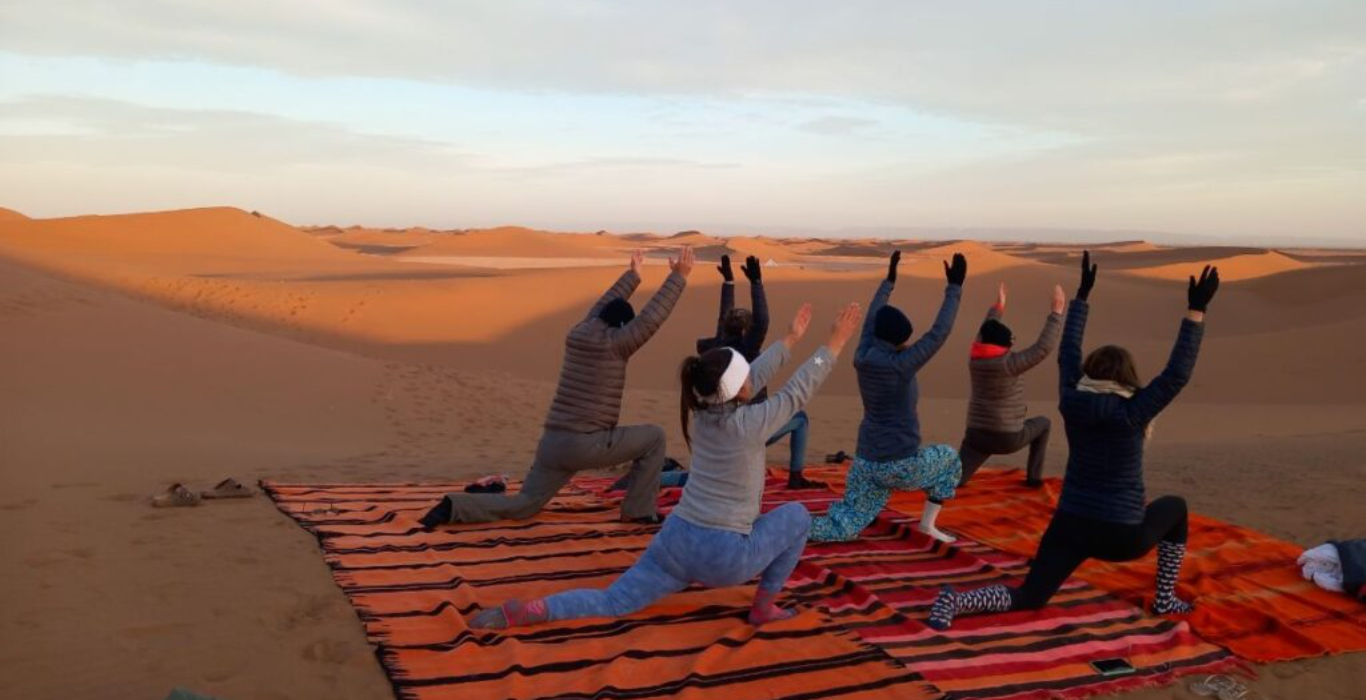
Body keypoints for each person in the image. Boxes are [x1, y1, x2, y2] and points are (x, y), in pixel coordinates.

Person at [467, 302, 865, 629]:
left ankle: (538, 610)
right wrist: (834, 343)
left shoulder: (702, 409)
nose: (750, 380)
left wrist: (790, 340)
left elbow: (747, 379)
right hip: (725, 557)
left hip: (676, 540)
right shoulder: (748, 424)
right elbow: (796, 393)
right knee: (797, 516)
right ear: (738, 390)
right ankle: (763, 608)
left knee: (614, 601)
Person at [926, 253, 1220, 629]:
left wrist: (1081, 297)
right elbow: (1176, 374)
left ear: (1088, 373)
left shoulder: (1071, 400)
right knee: (1175, 507)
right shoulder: (1134, 411)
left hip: (1070, 526)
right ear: (1128, 378)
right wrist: (1196, 311)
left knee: (1029, 596)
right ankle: (1164, 598)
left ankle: (956, 601)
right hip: (1121, 536)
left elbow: (1067, 355)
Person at [418, 248, 695, 527]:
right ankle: (638, 511)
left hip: (553, 444)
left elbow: (601, 306)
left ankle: (454, 507)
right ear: (622, 326)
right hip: (586, 444)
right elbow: (650, 319)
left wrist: (633, 276)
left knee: (524, 504)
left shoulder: (578, 332)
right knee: (654, 438)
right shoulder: (616, 344)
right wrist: (679, 277)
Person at [809, 250, 966, 544]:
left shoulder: (863, 354)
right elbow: (938, 333)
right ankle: (928, 525)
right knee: (949, 459)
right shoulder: (901, 365)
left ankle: (794, 527)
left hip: (866, 462)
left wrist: (889, 281)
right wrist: (955, 288)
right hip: (899, 467)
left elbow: (872, 319)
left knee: (841, 527)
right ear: (900, 341)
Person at [697, 254, 819, 490]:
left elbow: (724, 316)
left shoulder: (718, 349)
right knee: (801, 419)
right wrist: (756, 283)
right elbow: (762, 322)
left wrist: (729, 282)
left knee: (699, 477)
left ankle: (659, 478)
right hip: (753, 427)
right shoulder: (747, 351)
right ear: (746, 331)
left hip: (721, 431)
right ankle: (795, 478)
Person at [946, 281, 1064, 499]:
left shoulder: (975, 357)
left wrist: (998, 306)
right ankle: (1033, 478)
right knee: (1044, 424)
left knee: (953, 480)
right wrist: (1056, 313)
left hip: (976, 437)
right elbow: (1043, 348)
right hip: (1007, 437)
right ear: (1003, 346)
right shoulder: (1010, 364)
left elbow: (986, 329)